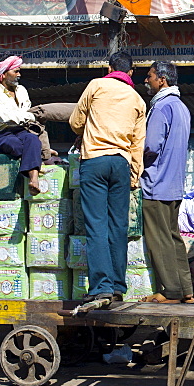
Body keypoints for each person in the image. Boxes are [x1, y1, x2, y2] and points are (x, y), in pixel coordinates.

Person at [68, 51, 146, 303]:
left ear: (109, 67)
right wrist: (135, 175)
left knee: (96, 226)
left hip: (94, 161)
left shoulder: (96, 85)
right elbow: (137, 143)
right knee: (118, 227)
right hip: (121, 164)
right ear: (131, 72)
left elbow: (75, 121)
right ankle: (117, 286)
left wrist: (89, 127)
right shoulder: (138, 100)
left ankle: (101, 286)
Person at [141, 61, 193, 304]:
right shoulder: (181, 107)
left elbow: (151, 146)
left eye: (150, 76)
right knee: (173, 238)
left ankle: (170, 290)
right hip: (174, 184)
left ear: (162, 79)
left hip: (157, 183)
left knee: (158, 239)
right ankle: (186, 290)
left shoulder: (161, 107)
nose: (146, 81)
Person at [0, 55, 44, 194]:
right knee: (14, 144)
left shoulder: (21, 90)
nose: (19, 75)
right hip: (0, 135)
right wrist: (30, 116)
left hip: (21, 131)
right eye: (15, 71)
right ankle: (32, 163)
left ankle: (33, 179)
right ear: (3, 74)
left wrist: (28, 117)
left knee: (32, 139)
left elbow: (25, 114)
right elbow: (5, 118)